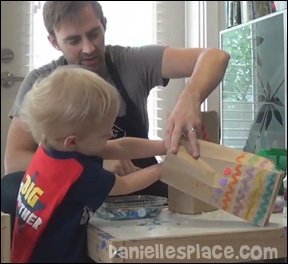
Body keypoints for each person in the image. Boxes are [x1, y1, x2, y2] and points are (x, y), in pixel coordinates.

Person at [4, 1, 230, 197]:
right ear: (54, 42)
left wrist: (189, 97)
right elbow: (14, 163)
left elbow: (215, 56)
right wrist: (92, 165)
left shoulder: (130, 62)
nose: (89, 48)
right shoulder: (40, 83)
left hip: (145, 196)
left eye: (94, 33)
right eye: (73, 41)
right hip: (78, 204)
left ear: (104, 23)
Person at [11, 65, 167, 263]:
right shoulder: (79, 174)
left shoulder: (50, 148)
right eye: (104, 133)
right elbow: (125, 185)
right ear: (72, 141)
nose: (111, 134)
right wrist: (165, 168)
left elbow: (118, 147)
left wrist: (163, 147)